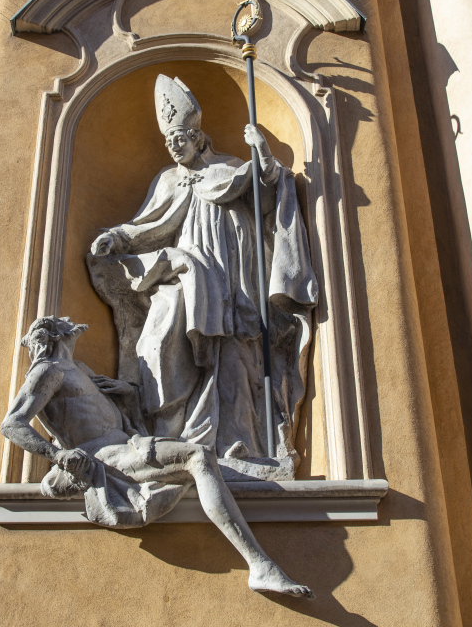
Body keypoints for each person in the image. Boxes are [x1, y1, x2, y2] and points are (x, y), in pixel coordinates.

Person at [88, 75, 317, 464]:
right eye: (169, 142)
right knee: (162, 337)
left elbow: (267, 197)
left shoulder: (229, 168)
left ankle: (241, 444)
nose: (174, 147)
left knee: (237, 352)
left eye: (181, 139)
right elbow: (149, 226)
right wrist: (117, 238)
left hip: (236, 275)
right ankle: (172, 437)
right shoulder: (168, 180)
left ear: (198, 137)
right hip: (188, 272)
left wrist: (262, 154)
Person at [0, 315, 315, 598]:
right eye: (59, 321)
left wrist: (125, 391)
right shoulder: (47, 371)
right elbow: (12, 424)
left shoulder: (78, 369)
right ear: (55, 335)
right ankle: (260, 565)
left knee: (208, 462)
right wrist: (57, 455)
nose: (68, 319)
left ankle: (252, 471)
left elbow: (100, 412)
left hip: (129, 443)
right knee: (197, 457)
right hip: (106, 456)